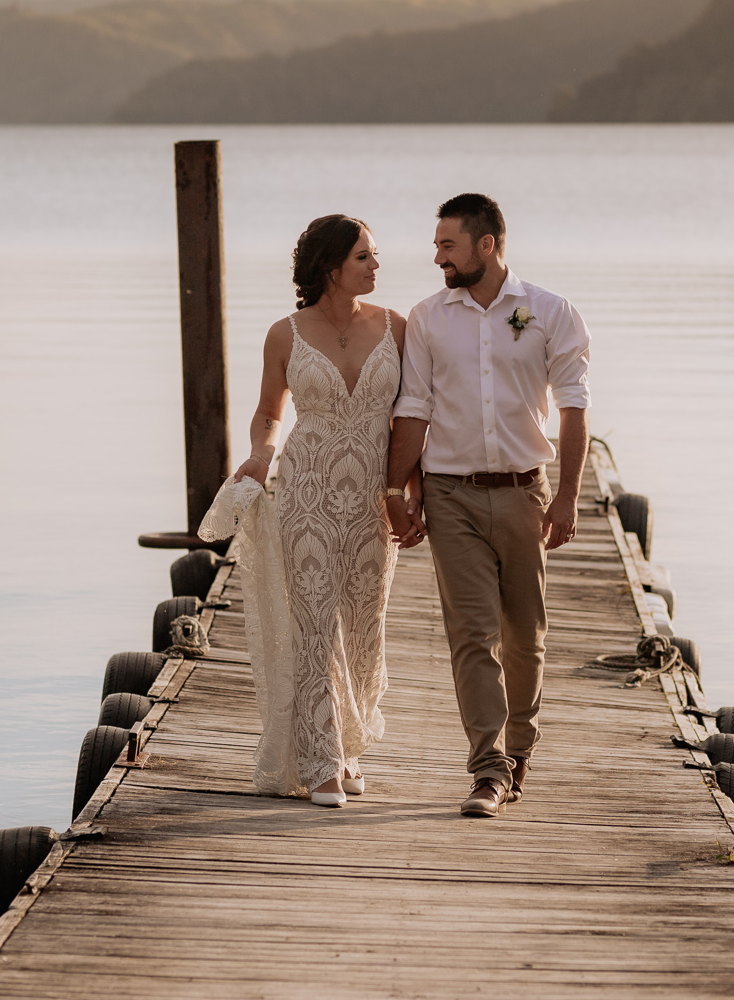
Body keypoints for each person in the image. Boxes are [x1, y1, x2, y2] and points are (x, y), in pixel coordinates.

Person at [386, 193, 591, 817]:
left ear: (487, 245)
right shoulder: (426, 318)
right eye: (436, 245)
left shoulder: (549, 312)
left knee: (524, 636)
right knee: (471, 635)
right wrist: (398, 490)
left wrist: (567, 496)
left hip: (524, 491)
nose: (438, 256)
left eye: (447, 245)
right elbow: (414, 408)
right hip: (450, 495)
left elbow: (575, 408)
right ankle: (488, 769)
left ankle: (521, 750)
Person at [220, 214, 407, 807]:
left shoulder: (398, 327)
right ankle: (320, 761)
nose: (376, 265)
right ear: (331, 267)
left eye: (374, 255)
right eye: (364, 257)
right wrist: (260, 453)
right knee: (313, 621)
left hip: (372, 495)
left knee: (363, 624)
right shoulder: (285, 334)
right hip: (306, 488)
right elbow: (270, 410)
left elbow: (413, 415)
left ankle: (348, 747)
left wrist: (409, 489)